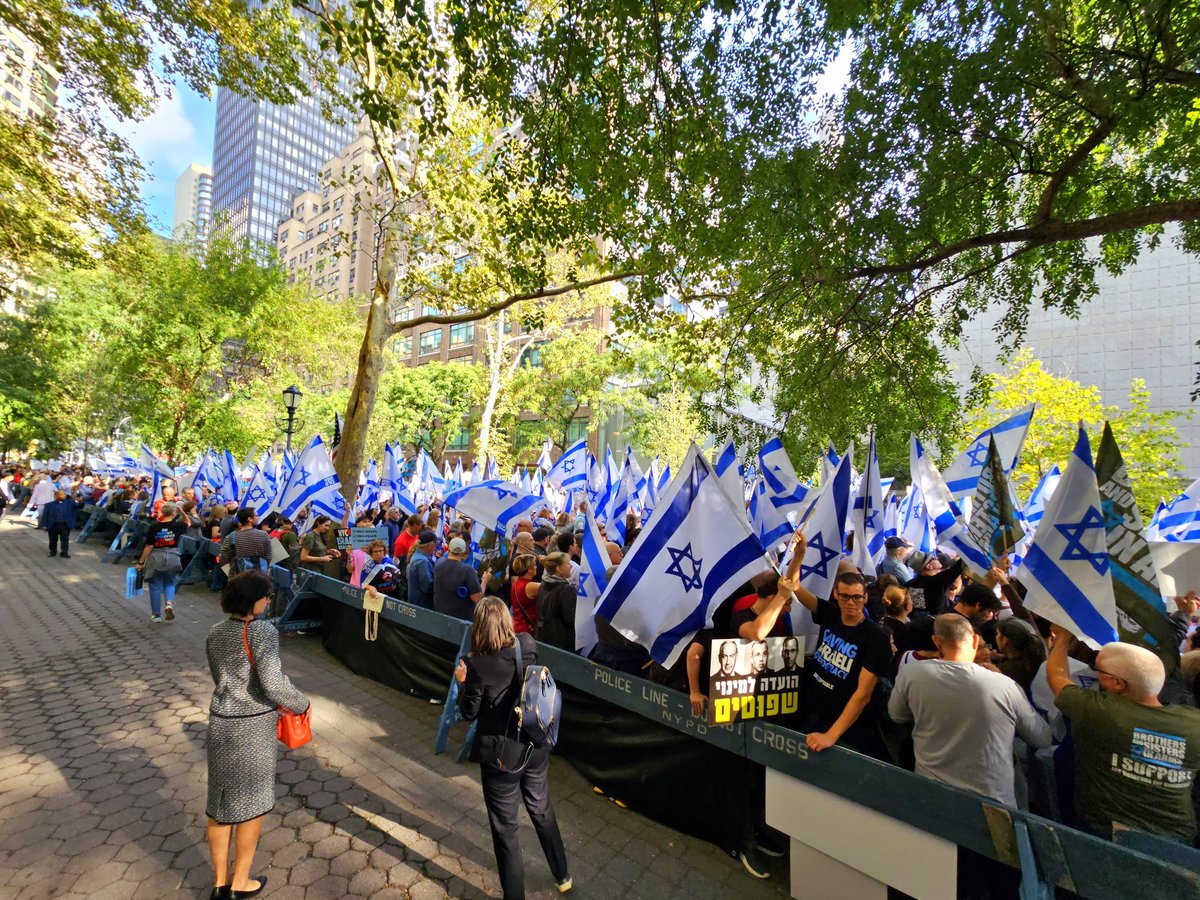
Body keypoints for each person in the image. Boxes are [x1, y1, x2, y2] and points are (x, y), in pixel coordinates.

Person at [454, 598, 571, 898]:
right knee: (541, 807)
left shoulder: (475, 663)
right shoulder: (527, 644)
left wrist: (463, 683)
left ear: (478, 627)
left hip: (501, 755)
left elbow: (469, 713)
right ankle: (563, 874)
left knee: (506, 829)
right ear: (506, 620)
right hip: (534, 744)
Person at [205, 570, 310, 900]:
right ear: (254, 600)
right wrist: (302, 703)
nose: (268, 600)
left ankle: (219, 883)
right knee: (251, 805)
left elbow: (217, 674)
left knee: (220, 805)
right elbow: (272, 682)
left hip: (220, 720)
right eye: (266, 596)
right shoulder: (262, 632)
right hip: (251, 726)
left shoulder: (216, 631)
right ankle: (241, 882)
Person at [1047, 624, 1200, 843]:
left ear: (1117, 683)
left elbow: (1056, 677)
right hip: (1177, 842)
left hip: (1107, 836)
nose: (1095, 673)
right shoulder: (1194, 724)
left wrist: (1062, 638)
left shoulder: (1101, 712)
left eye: (1098, 670)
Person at [888, 614, 1051, 807]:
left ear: (936, 641)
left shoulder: (911, 674)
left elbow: (896, 715)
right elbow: (1042, 737)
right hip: (992, 802)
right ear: (974, 640)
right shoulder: (1005, 686)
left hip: (932, 793)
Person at [788, 550, 892, 757]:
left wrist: (831, 735)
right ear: (836, 595)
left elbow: (863, 694)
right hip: (812, 708)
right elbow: (794, 586)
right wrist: (799, 555)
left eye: (857, 597)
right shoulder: (830, 613)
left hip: (843, 726)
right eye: (845, 596)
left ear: (865, 598)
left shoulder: (875, 637)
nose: (851, 603)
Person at [135, 501, 187, 622]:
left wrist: (141, 562)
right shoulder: (178, 526)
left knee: (155, 585)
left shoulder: (154, 527)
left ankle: (156, 615)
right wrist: (182, 512)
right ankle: (169, 604)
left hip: (156, 557)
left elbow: (149, 546)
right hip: (173, 556)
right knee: (169, 582)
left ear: (162, 513)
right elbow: (188, 522)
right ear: (174, 513)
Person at [991, 618, 1047, 695]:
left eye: (997, 633)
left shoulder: (1003, 671)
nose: (996, 637)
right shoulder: (1035, 659)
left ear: (1005, 640)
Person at [534, 552, 576, 650]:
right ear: (559, 568)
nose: (570, 567)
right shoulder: (566, 589)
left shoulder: (543, 584)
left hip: (543, 635)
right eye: (567, 564)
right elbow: (570, 619)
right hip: (561, 641)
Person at [433, 536, 483, 619]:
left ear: (449, 550)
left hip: (441, 616)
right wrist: (485, 581)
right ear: (464, 553)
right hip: (461, 621)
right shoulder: (468, 571)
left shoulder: (438, 563)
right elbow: (477, 598)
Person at [219, 508, 272, 573]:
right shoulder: (263, 535)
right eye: (256, 515)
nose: (258, 517)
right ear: (249, 519)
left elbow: (223, 558)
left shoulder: (231, 537)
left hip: (239, 576)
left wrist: (232, 573)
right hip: (260, 575)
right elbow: (269, 556)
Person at [40, 490, 78, 558]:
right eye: (61, 494)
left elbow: (78, 507)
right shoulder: (49, 505)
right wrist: (44, 525)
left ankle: (64, 552)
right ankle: (52, 551)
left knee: (65, 539)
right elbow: (45, 515)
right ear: (56, 496)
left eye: (64, 494)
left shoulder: (69, 503)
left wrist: (80, 501)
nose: (63, 496)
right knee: (52, 539)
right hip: (53, 524)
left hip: (65, 524)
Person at [510, 554, 541, 635]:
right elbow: (550, 587)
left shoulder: (516, 583)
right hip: (527, 630)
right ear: (529, 569)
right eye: (535, 564)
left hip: (517, 626)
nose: (536, 567)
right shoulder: (531, 586)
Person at [406, 530, 438, 608]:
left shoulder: (417, 555)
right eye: (436, 544)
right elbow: (427, 586)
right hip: (422, 606)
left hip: (416, 603)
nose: (436, 547)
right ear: (431, 545)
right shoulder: (423, 561)